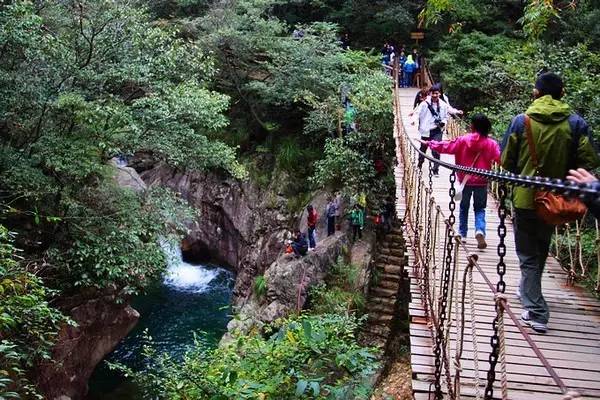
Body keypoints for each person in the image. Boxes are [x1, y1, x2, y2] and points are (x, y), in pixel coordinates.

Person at [501, 72, 599, 333]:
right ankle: (527, 292)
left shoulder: (521, 122)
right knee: (541, 248)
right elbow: (588, 160)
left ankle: (536, 311)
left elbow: (506, 162)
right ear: (562, 93)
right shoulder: (576, 124)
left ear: (535, 92)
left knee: (526, 255)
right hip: (554, 199)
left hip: (524, 198)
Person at [420, 114, 500, 248]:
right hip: (482, 181)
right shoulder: (491, 144)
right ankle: (480, 230)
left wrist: (430, 143)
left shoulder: (463, 140)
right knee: (480, 208)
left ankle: (463, 234)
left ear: (472, 126)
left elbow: (447, 146)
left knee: (464, 207)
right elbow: (501, 159)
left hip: (465, 181)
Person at [412, 83, 448, 176]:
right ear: (430, 94)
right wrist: (414, 121)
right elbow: (417, 113)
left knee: (436, 149)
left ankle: (435, 169)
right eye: (433, 93)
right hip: (426, 129)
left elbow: (445, 116)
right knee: (423, 148)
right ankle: (420, 163)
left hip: (437, 130)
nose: (435, 95)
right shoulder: (424, 104)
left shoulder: (443, 105)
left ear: (439, 94)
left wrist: (443, 122)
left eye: (437, 93)